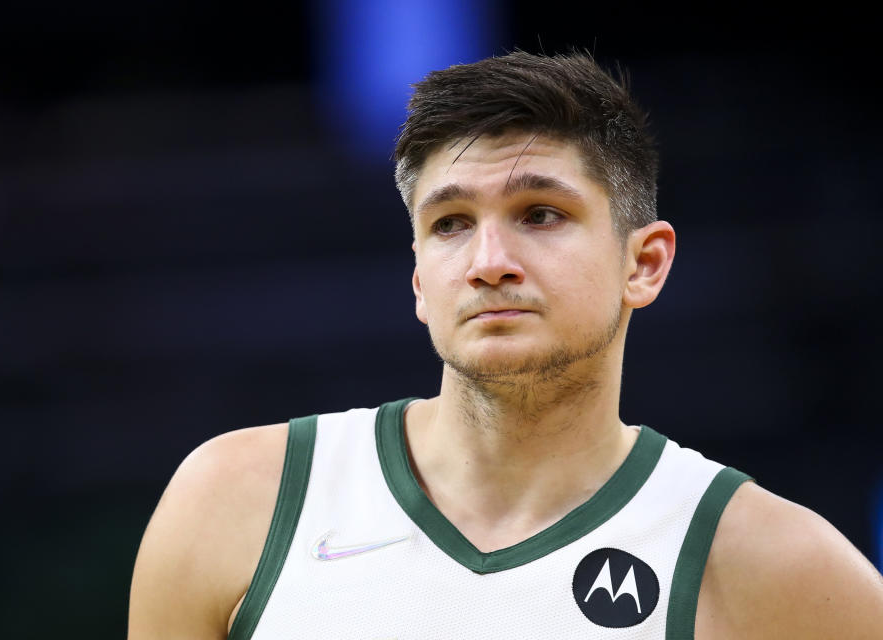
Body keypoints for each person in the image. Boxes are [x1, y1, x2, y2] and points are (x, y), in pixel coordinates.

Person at [127, 52, 883, 639]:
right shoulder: (238, 502)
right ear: (420, 279)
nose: (489, 260)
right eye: (450, 224)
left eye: (541, 213)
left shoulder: (768, 561)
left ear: (644, 263)